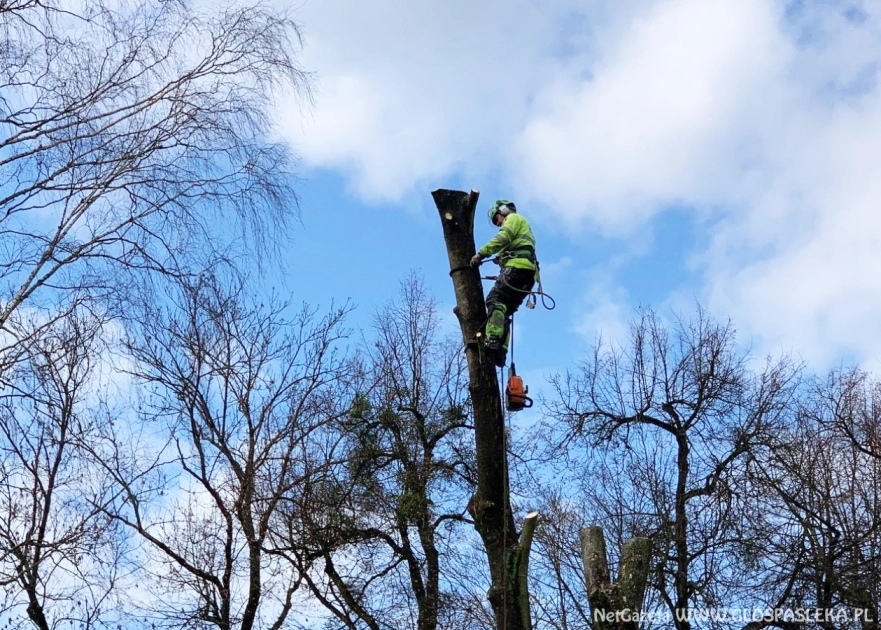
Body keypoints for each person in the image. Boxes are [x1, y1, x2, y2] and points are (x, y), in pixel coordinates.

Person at [470, 199, 537, 367]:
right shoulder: (522, 225)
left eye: (497, 219)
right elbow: (514, 244)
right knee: (504, 312)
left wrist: (481, 254)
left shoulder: (513, 219)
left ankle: (492, 341)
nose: (498, 223)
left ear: (504, 211)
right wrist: (501, 257)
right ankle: (501, 351)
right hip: (527, 275)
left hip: (517, 268)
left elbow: (503, 237)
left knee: (495, 301)